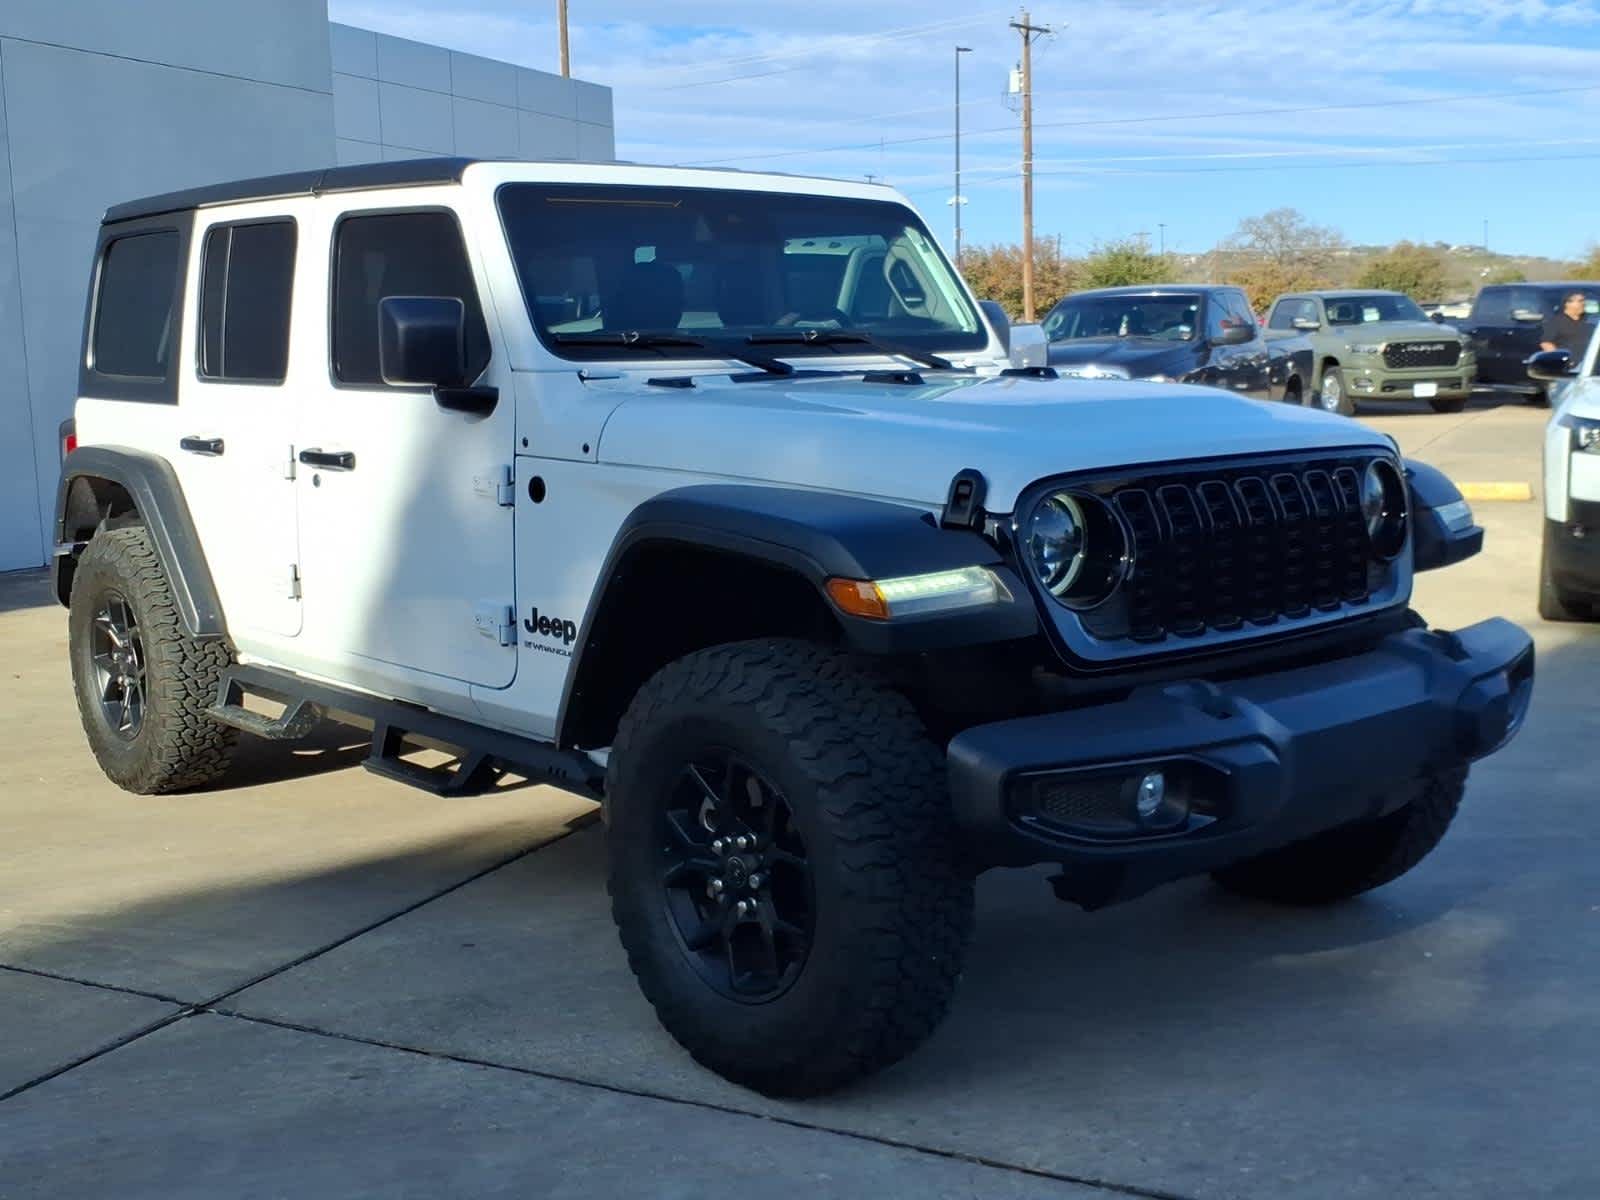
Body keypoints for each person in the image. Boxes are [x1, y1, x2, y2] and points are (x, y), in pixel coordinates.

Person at [1541, 291, 1595, 357]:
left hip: (1591, 362)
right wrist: (1559, 358)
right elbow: (1546, 343)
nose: (1584, 303)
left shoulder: (1591, 320)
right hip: (1570, 364)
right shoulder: (1556, 322)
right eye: (1580, 301)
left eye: (1584, 301)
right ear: (1567, 303)